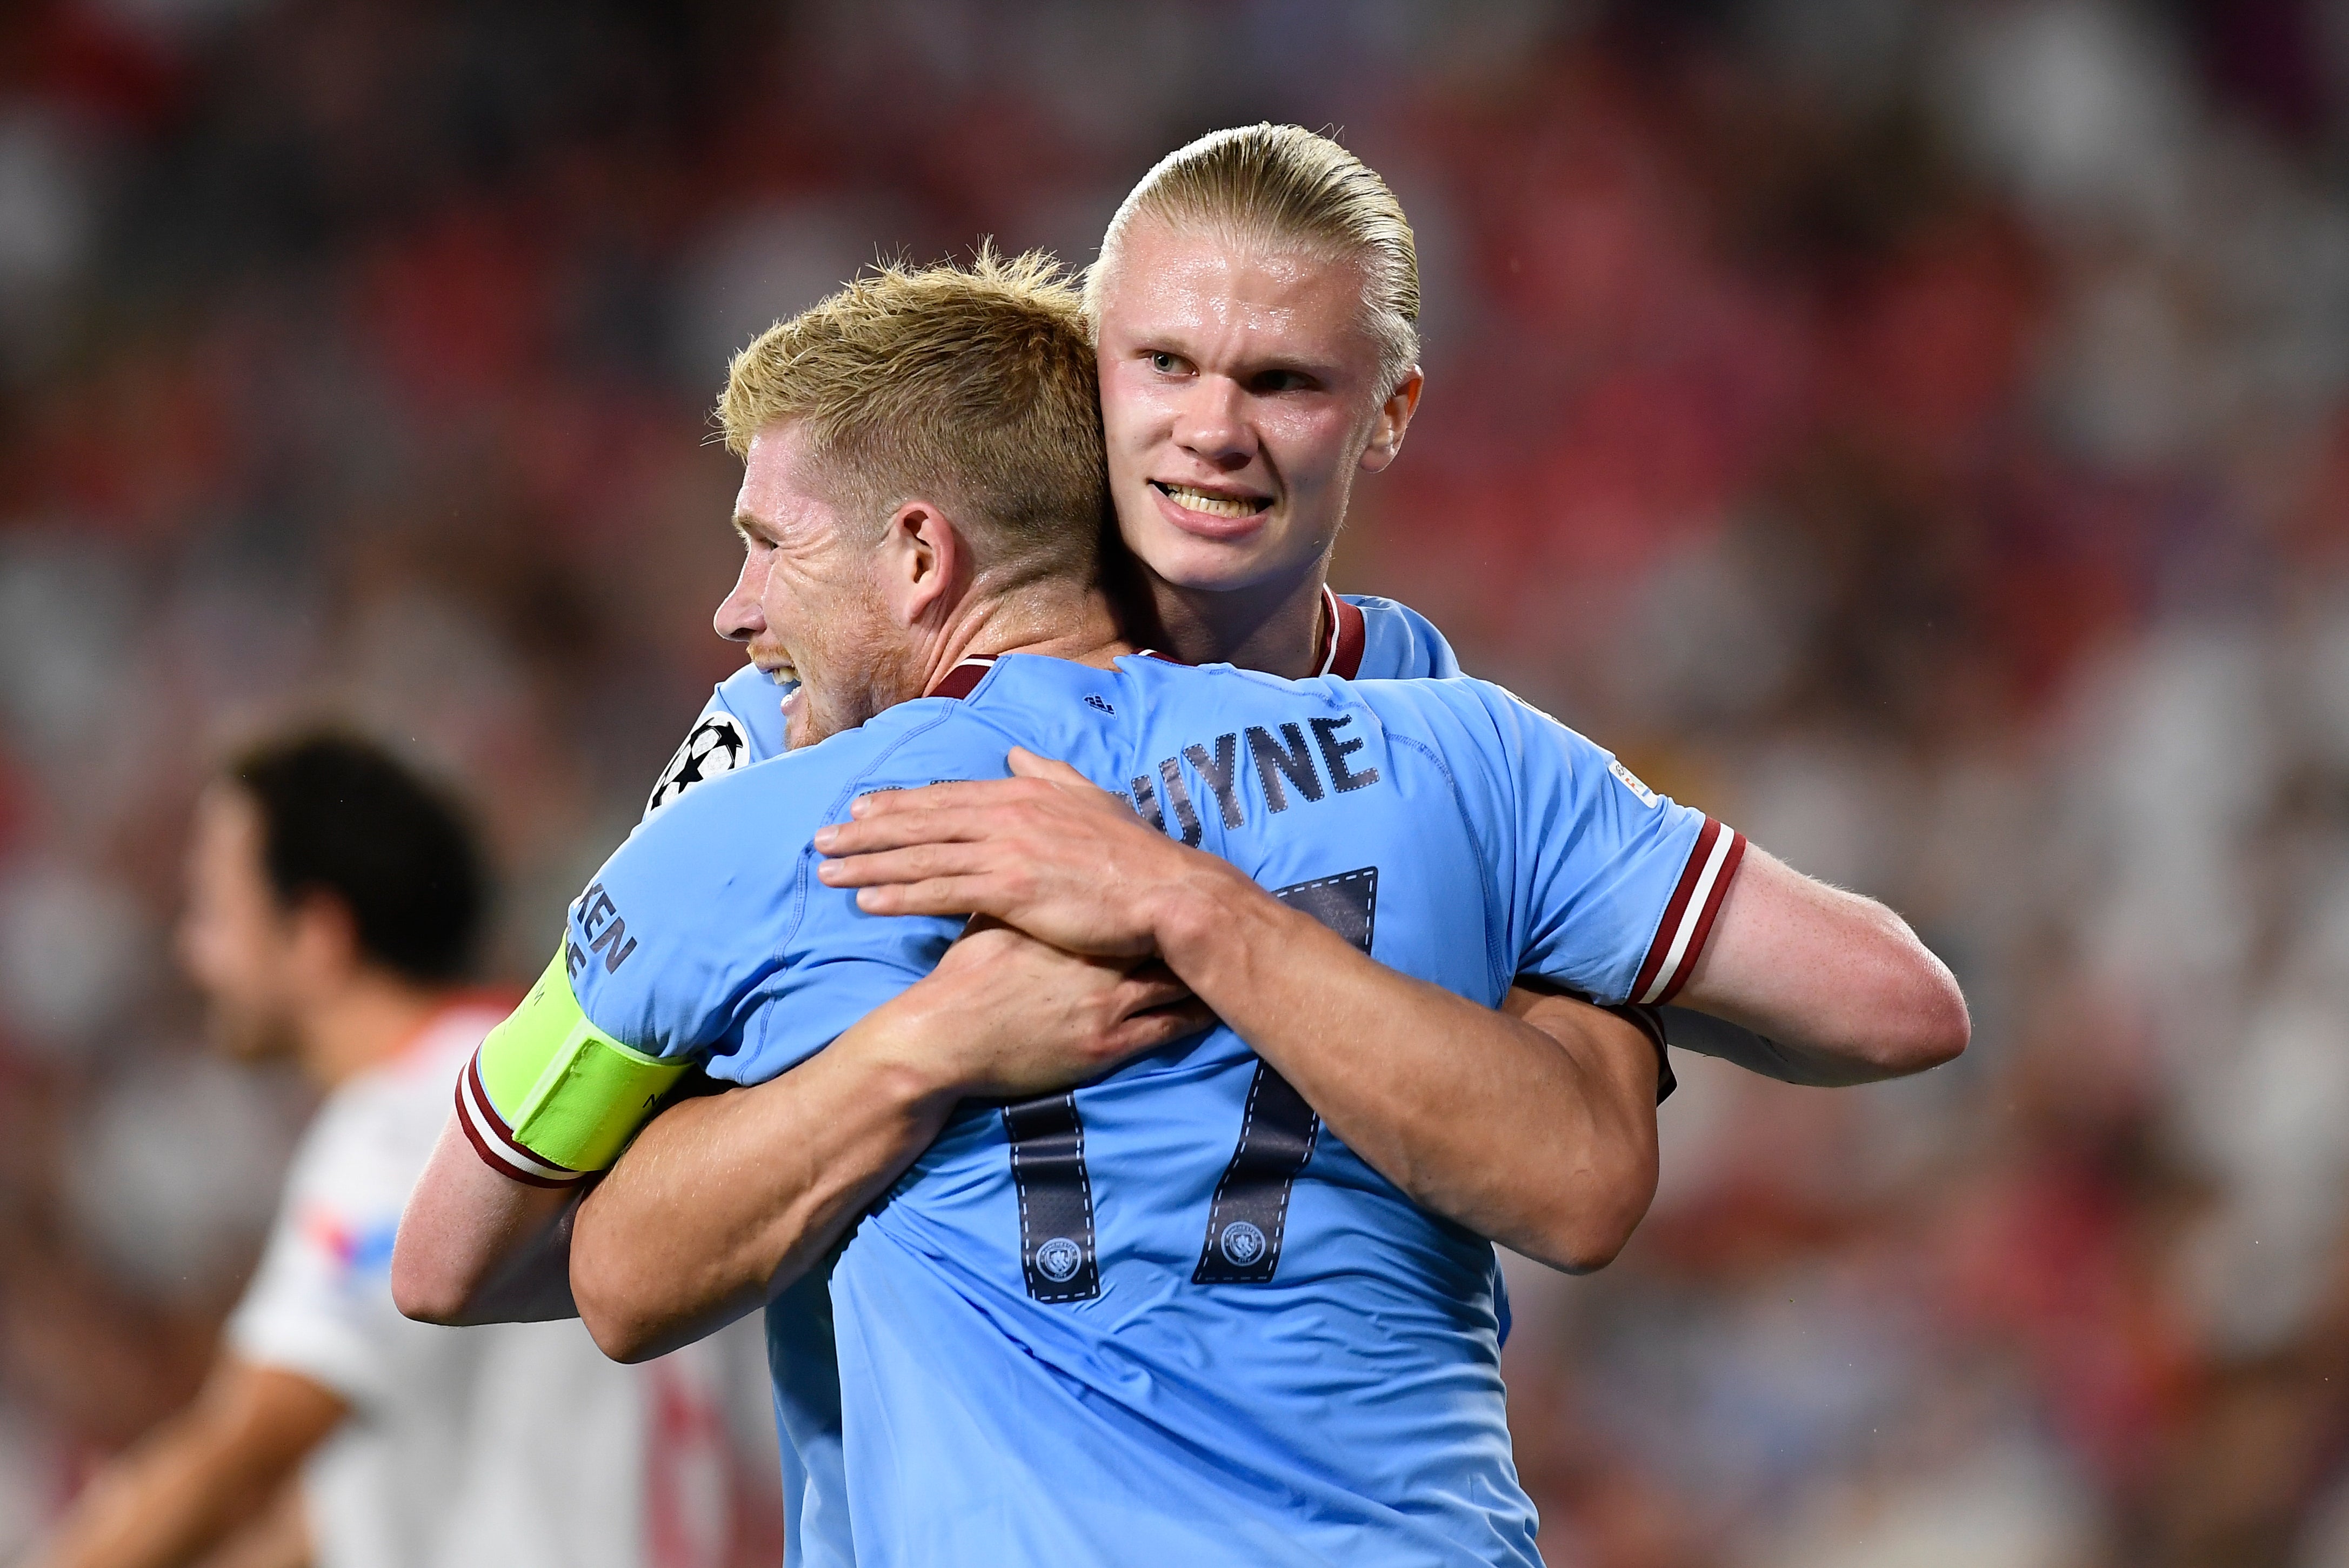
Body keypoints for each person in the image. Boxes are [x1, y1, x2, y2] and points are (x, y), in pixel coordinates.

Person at [393, 252, 1963, 1562]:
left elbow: (461, 1259)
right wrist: (1578, 970)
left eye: (764, 544)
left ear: (922, 553)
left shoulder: (758, 828)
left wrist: (918, 1050)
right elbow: (1897, 1005)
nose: (735, 609)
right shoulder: (1451, 748)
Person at [30, 732, 777, 1568]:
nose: (189, 953)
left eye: (211, 908)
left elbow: (244, 1449)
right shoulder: (545, 1084)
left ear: (316, 931)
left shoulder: (411, 1122)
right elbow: (359, 1506)